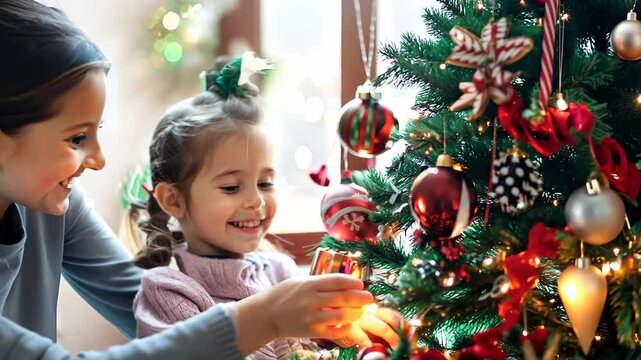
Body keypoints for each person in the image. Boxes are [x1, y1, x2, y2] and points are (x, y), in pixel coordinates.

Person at [0, 1, 387, 359]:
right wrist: (267, 316)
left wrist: (331, 316)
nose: (99, 160)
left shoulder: (51, 202)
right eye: (77, 139)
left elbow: (143, 307)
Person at [131, 54, 402, 359]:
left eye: (265, 183)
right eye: (231, 187)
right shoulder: (169, 290)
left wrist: (350, 331)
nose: (256, 201)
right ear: (173, 200)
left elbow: (313, 349)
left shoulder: (279, 272)